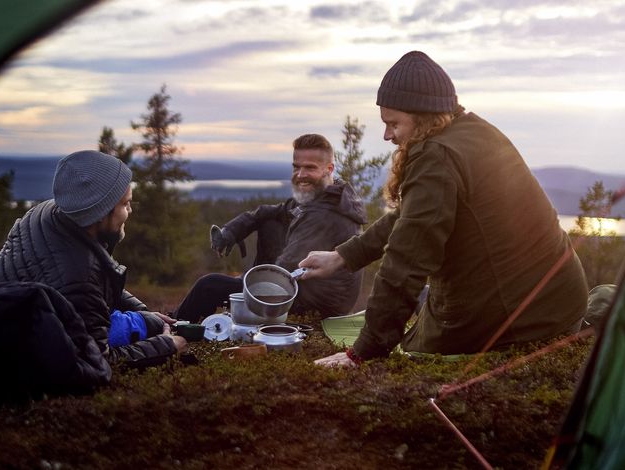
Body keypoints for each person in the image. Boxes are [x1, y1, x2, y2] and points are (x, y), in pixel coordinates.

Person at [300, 51, 589, 367]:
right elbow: (412, 215)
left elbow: (406, 260)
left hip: (520, 321)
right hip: (559, 299)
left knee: (424, 335)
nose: (387, 135)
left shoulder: (436, 158)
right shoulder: (475, 131)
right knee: (426, 306)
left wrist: (363, 352)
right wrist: (343, 257)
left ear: (422, 117)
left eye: (393, 123)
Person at [0, 150, 187, 366]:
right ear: (100, 212)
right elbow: (97, 362)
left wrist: (143, 312)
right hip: (13, 351)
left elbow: (97, 284)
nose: (130, 211)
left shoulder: (51, 211)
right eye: (125, 204)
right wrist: (166, 345)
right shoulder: (79, 274)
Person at [174, 134, 367, 322]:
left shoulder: (325, 215)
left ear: (329, 169)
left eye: (310, 168)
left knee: (209, 286)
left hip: (317, 308)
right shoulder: (325, 194)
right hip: (306, 287)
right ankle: (243, 291)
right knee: (270, 223)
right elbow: (270, 212)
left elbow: (284, 273)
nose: (300, 175)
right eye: (296, 167)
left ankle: (174, 330)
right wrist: (232, 231)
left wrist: (242, 286)